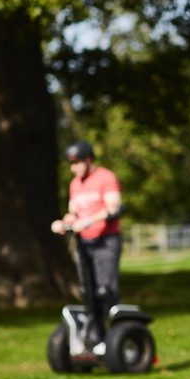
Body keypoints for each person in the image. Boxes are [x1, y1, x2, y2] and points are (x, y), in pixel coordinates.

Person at [50, 140, 123, 350]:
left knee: (105, 290)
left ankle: (115, 337)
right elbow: (73, 212)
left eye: (77, 163)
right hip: (84, 242)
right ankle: (95, 338)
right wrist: (64, 223)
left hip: (106, 240)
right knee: (87, 291)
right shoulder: (75, 184)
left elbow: (114, 208)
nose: (74, 168)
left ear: (88, 160)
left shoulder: (105, 178)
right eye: (70, 164)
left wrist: (89, 221)